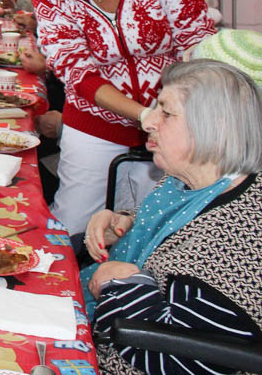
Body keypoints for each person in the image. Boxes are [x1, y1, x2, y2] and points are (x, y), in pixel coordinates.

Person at [19, 0, 216, 239]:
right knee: (74, 225)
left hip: (176, 121)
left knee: (165, 228)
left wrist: (173, 113)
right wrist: (144, 115)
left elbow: (197, 39)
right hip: (95, 123)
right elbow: (77, 72)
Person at [82, 60, 262, 375]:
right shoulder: (190, 180)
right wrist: (125, 221)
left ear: (214, 127)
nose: (148, 121)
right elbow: (174, 224)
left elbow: (190, 360)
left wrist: (122, 286)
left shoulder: (235, 241)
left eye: (166, 112)